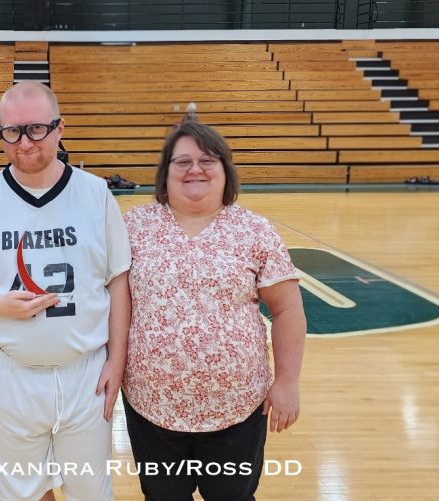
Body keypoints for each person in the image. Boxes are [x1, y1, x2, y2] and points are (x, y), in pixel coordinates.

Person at [0, 81, 131, 501]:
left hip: (86, 375)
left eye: (36, 130)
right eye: (12, 132)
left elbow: (118, 279)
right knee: (19, 494)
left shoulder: (96, 193)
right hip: (9, 373)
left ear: (60, 128)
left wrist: (116, 361)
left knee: (90, 492)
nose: (24, 143)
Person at [122, 120, 306, 501]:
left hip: (237, 408)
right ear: (165, 172)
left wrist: (287, 382)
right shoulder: (132, 227)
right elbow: (111, 304)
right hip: (151, 406)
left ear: (225, 170)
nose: (195, 169)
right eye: (182, 161)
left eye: (208, 160)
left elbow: (287, 310)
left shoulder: (254, 230)